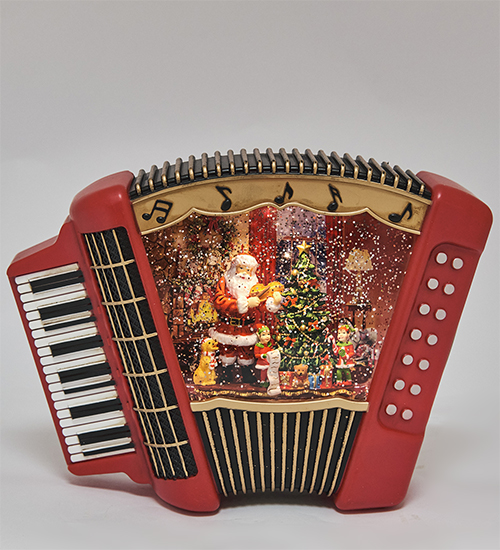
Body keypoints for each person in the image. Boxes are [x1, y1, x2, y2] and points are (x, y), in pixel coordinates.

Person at [209, 254, 282, 383]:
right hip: (228, 326)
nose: (244, 273)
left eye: (248, 270)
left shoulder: (254, 285)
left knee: (246, 353)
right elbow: (219, 301)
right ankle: (226, 373)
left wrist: (273, 302)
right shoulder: (225, 281)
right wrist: (243, 304)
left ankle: (247, 374)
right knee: (226, 351)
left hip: (246, 326)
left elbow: (261, 304)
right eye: (241, 268)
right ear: (234, 268)